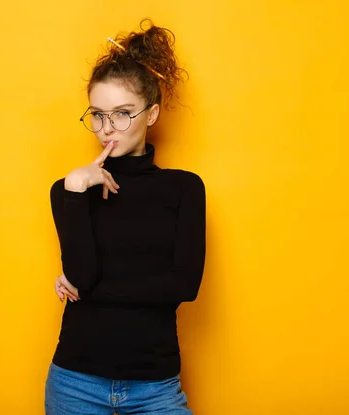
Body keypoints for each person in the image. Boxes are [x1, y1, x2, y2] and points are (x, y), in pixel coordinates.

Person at [45, 19, 206, 415]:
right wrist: (75, 190)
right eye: (97, 114)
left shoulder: (184, 189)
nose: (106, 128)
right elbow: (82, 275)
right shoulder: (68, 190)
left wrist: (92, 290)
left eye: (122, 113)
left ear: (151, 115)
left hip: (155, 387)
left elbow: (183, 285)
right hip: (74, 382)